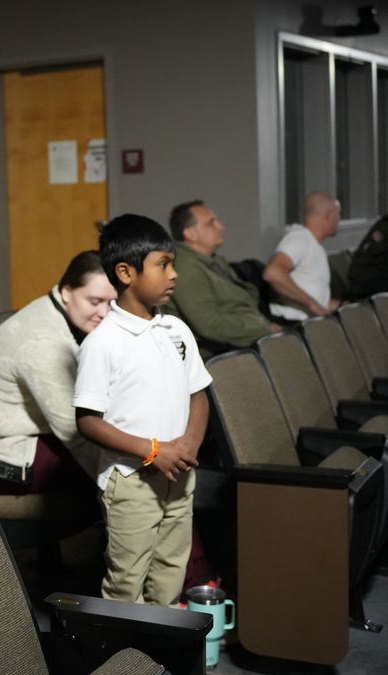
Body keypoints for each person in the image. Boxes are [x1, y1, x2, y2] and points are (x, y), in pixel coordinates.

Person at [73, 214, 211, 606]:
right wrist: (154, 450)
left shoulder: (177, 331)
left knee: (171, 573)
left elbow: (197, 394)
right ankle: (122, 662)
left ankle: (158, 656)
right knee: (126, 581)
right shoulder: (103, 342)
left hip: (180, 473)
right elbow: (87, 421)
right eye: (163, 264)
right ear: (125, 272)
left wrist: (188, 444)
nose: (174, 275)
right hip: (132, 480)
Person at [0, 251, 114, 500]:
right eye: (95, 301)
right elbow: (75, 432)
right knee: (132, 478)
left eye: (111, 303)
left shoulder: (62, 314)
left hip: (35, 434)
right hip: (4, 451)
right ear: (66, 292)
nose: (104, 313)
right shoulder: (42, 341)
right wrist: (123, 484)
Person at [166, 200, 280, 352]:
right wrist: (263, 329)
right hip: (219, 354)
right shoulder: (186, 268)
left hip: (244, 341)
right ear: (190, 234)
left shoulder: (212, 260)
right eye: (210, 223)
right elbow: (210, 325)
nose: (220, 226)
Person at [264, 191, 341, 320]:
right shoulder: (299, 239)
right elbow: (273, 273)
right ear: (328, 216)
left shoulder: (314, 246)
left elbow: (318, 300)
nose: (339, 219)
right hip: (292, 326)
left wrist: (342, 305)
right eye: (338, 214)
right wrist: (312, 305)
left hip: (309, 325)